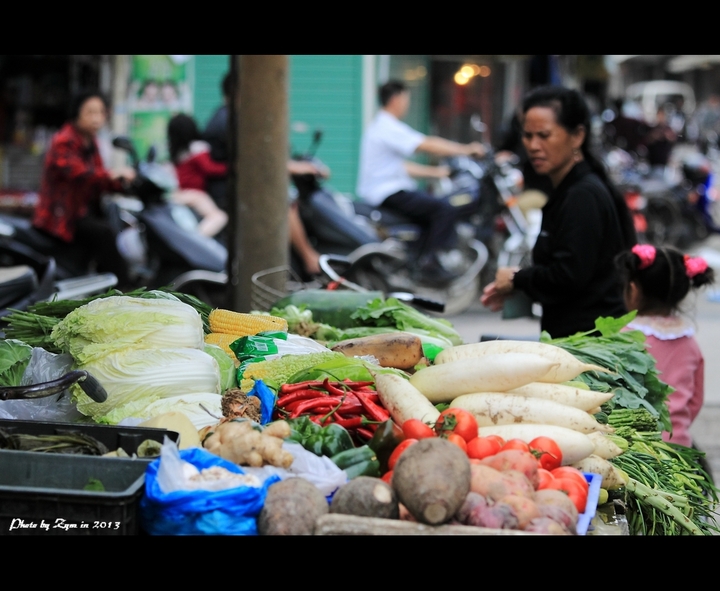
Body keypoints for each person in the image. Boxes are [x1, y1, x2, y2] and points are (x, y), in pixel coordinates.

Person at [481, 85, 637, 338]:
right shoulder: (569, 188)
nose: (533, 145)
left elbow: (568, 275)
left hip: (589, 343)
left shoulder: (582, 195)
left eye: (544, 135)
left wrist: (517, 279)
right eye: (528, 135)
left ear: (577, 136)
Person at [356, 80, 487, 285]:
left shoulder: (380, 127)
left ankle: (416, 262)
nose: (407, 104)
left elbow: (399, 167)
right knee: (445, 209)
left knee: (432, 211)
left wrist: (436, 172)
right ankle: (430, 264)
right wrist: (467, 149)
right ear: (397, 99)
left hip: (385, 191)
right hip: (388, 193)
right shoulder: (388, 127)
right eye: (406, 99)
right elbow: (427, 145)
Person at [202, 73, 325, 276]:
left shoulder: (225, 116)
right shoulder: (230, 120)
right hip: (228, 193)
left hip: (229, 188)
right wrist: (294, 167)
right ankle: (309, 257)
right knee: (283, 204)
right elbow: (254, 162)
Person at [32, 91, 136, 289]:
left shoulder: (91, 142)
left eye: (100, 112)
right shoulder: (64, 140)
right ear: (77, 114)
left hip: (83, 212)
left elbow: (99, 179)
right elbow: (80, 173)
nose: (96, 118)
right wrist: (113, 174)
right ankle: (126, 290)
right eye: (90, 112)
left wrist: (122, 183)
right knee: (105, 233)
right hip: (63, 216)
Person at [616, 243, 715, 447]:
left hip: (633, 448)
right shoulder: (689, 343)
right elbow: (695, 401)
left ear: (633, 290)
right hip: (678, 446)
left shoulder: (623, 338)